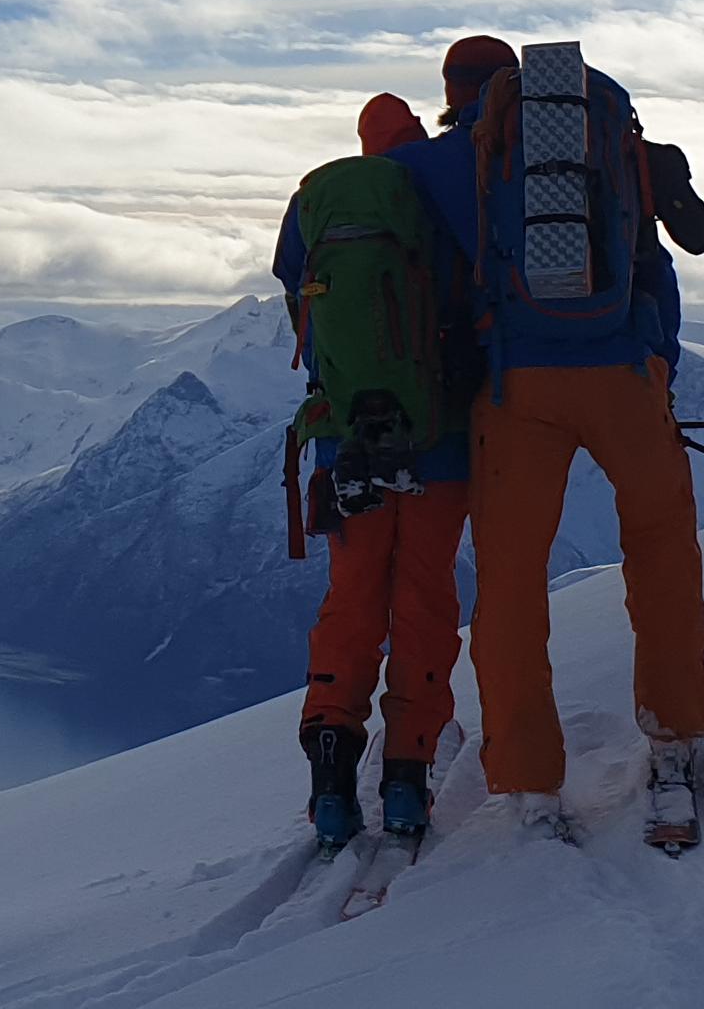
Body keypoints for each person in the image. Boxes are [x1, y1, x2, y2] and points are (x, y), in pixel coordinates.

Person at [386, 36, 704, 847]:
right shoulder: (608, 138)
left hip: (516, 386)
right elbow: (656, 264)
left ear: (453, 93)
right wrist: (653, 367)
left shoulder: (439, 165)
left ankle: (533, 785)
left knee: (512, 584)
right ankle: (675, 744)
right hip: (625, 372)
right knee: (663, 553)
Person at [274, 90, 476, 850]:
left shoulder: (316, 204)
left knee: (352, 601)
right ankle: (405, 780)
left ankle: (330, 777)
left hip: (344, 441)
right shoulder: (436, 195)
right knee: (424, 601)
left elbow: (295, 294)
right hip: (439, 438)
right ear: (417, 135)